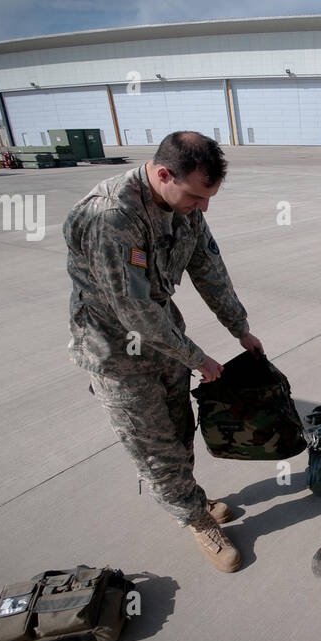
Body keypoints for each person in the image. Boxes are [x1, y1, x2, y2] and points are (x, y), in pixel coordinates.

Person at [64, 131, 262, 573]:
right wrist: (197, 357)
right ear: (162, 173)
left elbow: (209, 268)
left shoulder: (183, 206)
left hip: (164, 337)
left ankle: (190, 498)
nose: (203, 207)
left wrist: (239, 328)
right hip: (113, 350)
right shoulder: (112, 217)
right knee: (152, 443)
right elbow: (133, 311)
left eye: (209, 197)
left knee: (178, 426)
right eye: (196, 196)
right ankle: (194, 518)